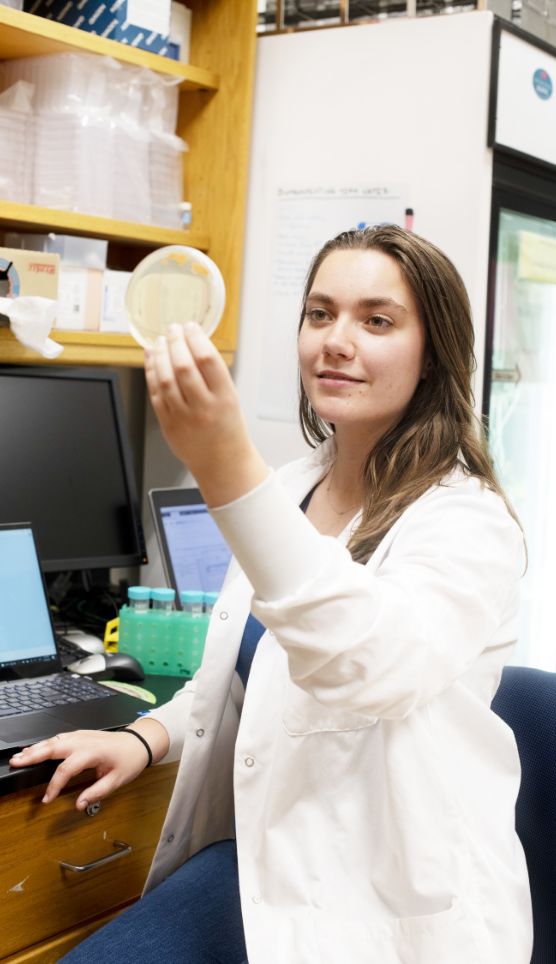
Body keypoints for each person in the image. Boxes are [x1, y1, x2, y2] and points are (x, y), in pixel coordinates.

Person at [10, 225, 533, 964]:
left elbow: (367, 666)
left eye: (376, 320)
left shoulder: (467, 521)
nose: (336, 340)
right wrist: (143, 736)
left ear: (432, 355)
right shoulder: (294, 488)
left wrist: (226, 467)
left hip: (384, 906)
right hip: (267, 863)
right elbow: (242, 677)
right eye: (320, 314)